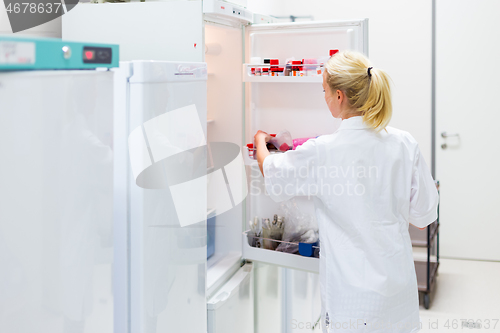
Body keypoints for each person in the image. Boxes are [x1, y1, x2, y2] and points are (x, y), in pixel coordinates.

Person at [254, 51, 438, 333]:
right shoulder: (404, 143)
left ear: (339, 96)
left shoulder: (323, 150)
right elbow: (424, 216)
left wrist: (259, 142)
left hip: (351, 301)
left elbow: (274, 174)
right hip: (397, 294)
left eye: (324, 91)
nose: (324, 97)